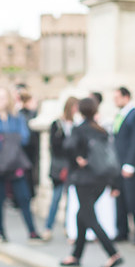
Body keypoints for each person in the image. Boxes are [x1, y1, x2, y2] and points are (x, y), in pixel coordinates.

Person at [59, 97, 123, 267]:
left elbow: (67, 148)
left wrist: (78, 159)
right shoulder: (101, 130)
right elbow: (110, 157)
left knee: (88, 216)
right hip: (101, 179)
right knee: (82, 215)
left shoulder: (79, 130)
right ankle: (76, 255)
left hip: (84, 179)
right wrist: (114, 184)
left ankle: (112, 253)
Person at [0, 87, 43, 243]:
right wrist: (11, 139)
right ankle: (1, 232)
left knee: (24, 197)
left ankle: (32, 231)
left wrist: (5, 138)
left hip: (16, 162)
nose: (0, 101)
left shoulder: (17, 118)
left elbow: (24, 138)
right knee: (0, 198)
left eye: (3, 98)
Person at [111, 86, 135, 244]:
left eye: (117, 97)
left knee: (133, 199)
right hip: (118, 164)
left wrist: (130, 164)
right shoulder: (121, 115)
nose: (115, 101)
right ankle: (122, 231)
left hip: (130, 166)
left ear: (126, 97)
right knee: (120, 199)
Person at [45, 96, 78, 241]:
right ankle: (48, 227)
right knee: (56, 198)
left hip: (72, 167)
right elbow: (55, 146)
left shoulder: (76, 125)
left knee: (71, 200)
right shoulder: (57, 124)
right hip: (59, 167)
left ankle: (67, 226)